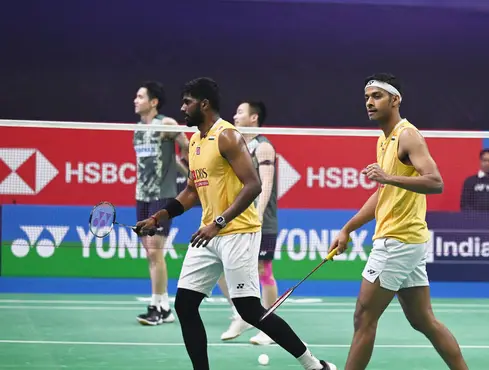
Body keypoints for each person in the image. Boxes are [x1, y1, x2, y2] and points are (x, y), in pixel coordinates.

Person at [135, 77, 336, 370]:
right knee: (185, 305)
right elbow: (192, 191)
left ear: (204, 104)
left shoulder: (226, 136)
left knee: (249, 309)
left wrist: (218, 222)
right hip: (208, 234)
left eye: (187, 102)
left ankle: (314, 365)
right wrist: (159, 216)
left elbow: (252, 185)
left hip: (238, 232)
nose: (182, 108)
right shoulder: (195, 142)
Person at [328, 73, 469, 370]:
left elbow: (436, 182)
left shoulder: (408, 135)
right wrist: (348, 228)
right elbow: (383, 194)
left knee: (364, 317)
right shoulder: (384, 140)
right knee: (423, 320)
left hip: (398, 241)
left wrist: (388, 176)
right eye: (367, 97)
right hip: (407, 241)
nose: (369, 102)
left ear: (395, 99)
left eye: (377, 96)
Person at [218, 100, 279, 345]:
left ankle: (269, 327)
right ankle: (240, 315)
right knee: (223, 266)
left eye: (240, 112)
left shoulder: (263, 147)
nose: (235, 115)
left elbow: (265, 185)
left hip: (260, 220)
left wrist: (257, 215)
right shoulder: (238, 145)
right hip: (237, 220)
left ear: (254, 118)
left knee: (263, 271)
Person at [133, 80, 189, 326]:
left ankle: (158, 306)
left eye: (140, 96)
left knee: (155, 251)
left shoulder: (165, 124)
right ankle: (163, 305)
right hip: (142, 196)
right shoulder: (137, 129)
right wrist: (177, 165)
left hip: (162, 196)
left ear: (153, 102)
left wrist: (192, 174)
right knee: (150, 253)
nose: (135, 100)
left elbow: (186, 146)